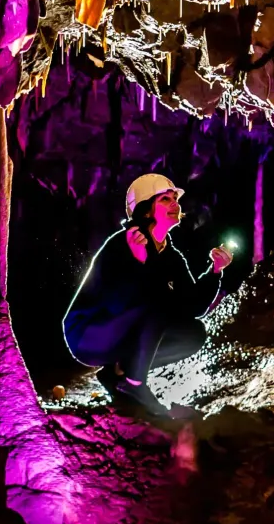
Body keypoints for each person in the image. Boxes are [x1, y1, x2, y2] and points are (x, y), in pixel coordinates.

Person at [63, 173, 239, 415]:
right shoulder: (122, 244)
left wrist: (215, 272)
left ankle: (119, 373)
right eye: (165, 199)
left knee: (193, 333)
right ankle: (134, 384)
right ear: (146, 210)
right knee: (157, 300)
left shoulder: (171, 256)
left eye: (175, 198)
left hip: (124, 329)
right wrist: (137, 262)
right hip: (88, 333)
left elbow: (193, 306)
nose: (175, 204)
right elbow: (116, 304)